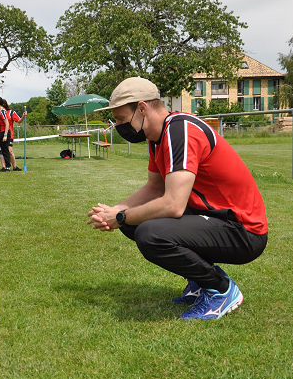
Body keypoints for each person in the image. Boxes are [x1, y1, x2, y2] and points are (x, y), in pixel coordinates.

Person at [89, 77, 268, 320]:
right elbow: (154, 188)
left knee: (149, 233)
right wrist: (116, 211)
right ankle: (200, 282)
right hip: (216, 219)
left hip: (244, 230)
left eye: (121, 119)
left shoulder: (180, 131)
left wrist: (121, 216)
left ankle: (221, 290)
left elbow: (173, 204)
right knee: (134, 223)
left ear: (141, 108)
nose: (119, 126)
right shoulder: (158, 136)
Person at [0, 99, 22, 171]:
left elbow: (19, 121)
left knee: (10, 151)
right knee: (1, 151)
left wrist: (23, 116)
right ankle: (4, 167)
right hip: (0, 134)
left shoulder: (11, 112)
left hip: (9, 135)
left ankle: (15, 167)